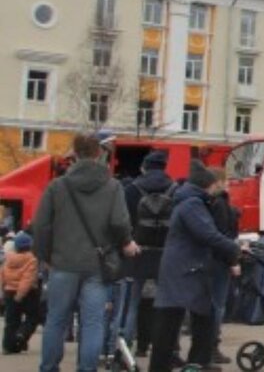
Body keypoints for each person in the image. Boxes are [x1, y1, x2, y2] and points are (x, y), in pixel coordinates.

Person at [32, 132, 139, 372]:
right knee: (92, 323)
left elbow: (41, 225)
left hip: (62, 262)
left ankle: (49, 367)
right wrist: (126, 243)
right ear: (99, 154)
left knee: (56, 320)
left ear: (75, 154)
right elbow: (120, 223)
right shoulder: (113, 187)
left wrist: (45, 256)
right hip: (97, 266)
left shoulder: (57, 186)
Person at [149, 161, 242, 372]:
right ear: (205, 185)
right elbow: (207, 233)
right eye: (211, 187)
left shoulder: (191, 201)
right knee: (177, 319)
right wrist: (234, 248)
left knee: (194, 316)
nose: (214, 191)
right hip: (185, 268)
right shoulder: (192, 204)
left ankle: (194, 362)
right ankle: (184, 364)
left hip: (186, 267)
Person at [123, 149, 176, 358]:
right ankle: (162, 348)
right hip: (165, 253)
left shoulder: (132, 189)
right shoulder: (174, 189)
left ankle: (125, 348)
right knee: (163, 303)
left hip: (137, 251)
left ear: (144, 167)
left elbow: (124, 221)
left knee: (132, 303)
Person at [206, 167, 239, 365]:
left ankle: (209, 345)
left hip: (211, 259)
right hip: (219, 261)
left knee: (213, 304)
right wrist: (233, 260)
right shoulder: (221, 204)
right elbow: (224, 235)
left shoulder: (211, 203)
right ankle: (212, 346)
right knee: (217, 306)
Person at [2, 232, 40, 354]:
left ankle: (9, 346)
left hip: (9, 291)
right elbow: (27, 278)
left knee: (11, 320)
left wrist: (3, 291)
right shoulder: (31, 259)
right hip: (28, 293)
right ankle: (22, 334)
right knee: (33, 317)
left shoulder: (9, 259)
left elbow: (2, 276)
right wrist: (20, 294)